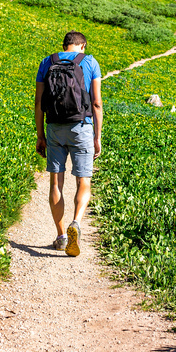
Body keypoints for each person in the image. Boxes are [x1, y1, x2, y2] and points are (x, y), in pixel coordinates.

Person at [34, 31, 103, 257]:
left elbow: (38, 102)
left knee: (56, 183)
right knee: (83, 181)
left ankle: (61, 236)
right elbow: (96, 102)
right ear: (82, 45)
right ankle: (76, 223)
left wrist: (40, 135)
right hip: (82, 126)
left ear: (65, 45)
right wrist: (97, 136)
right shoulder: (90, 62)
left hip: (54, 126)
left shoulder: (48, 61)